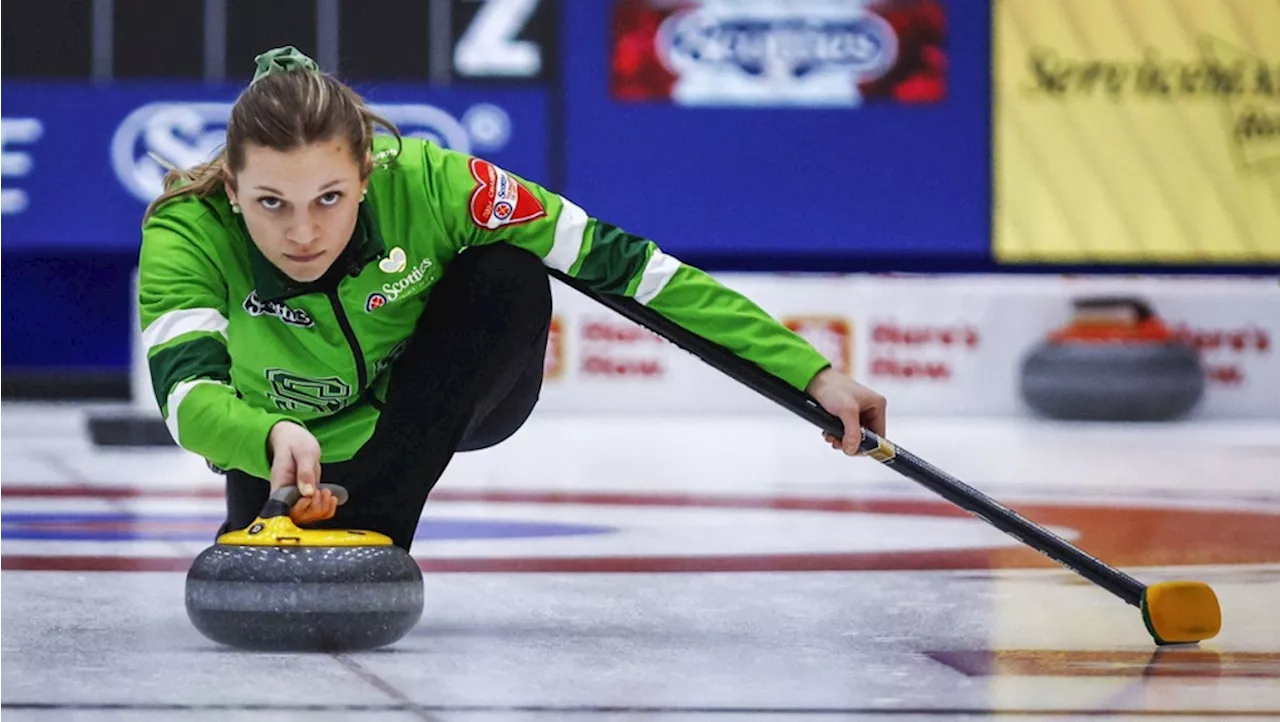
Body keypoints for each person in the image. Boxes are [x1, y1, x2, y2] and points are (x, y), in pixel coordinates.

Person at [138, 46, 887, 552]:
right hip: (275, 436)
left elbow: (633, 271)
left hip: (436, 411)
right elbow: (186, 392)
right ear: (231, 189)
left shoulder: (439, 185)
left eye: (329, 198)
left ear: (369, 171)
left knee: (509, 271)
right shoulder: (188, 229)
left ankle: (374, 525)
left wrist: (810, 373)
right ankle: (306, 497)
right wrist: (263, 438)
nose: (303, 233)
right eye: (271, 203)